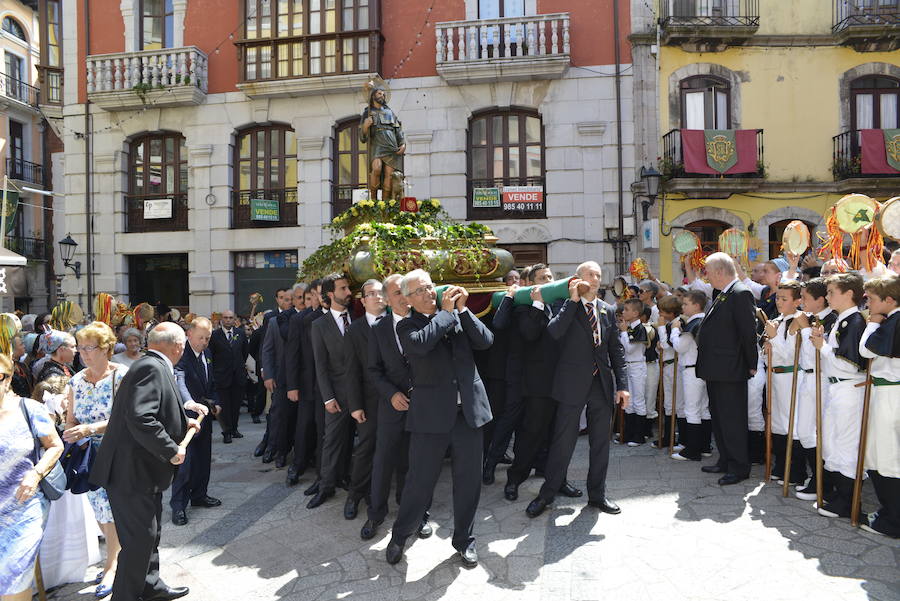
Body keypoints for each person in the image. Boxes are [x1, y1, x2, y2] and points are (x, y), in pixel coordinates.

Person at [385, 270, 493, 568]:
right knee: (419, 482)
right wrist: (446, 314)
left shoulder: (456, 315)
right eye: (419, 290)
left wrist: (463, 310)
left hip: (468, 413)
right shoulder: (408, 325)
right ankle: (400, 535)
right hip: (431, 416)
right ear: (407, 299)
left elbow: (485, 341)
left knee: (469, 482)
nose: (428, 293)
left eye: (430, 287)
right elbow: (421, 345)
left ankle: (464, 540)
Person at [90, 322, 198, 601]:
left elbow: (155, 410)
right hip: (130, 473)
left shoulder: (152, 365)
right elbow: (141, 417)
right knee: (139, 541)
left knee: (150, 534)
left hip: (142, 472)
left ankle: (151, 586)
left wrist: (184, 422)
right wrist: (170, 448)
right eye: (184, 343)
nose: (184, 348)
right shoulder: (150, 367)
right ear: (177, 345)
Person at [525, 261, 629, 519]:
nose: (594, 279)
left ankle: (597, 494)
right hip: (571, 384)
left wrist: (623, 386)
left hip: (600, 384)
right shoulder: (564, 306)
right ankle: (547, 494)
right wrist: (573, 300)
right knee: (563, 441)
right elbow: (554, 333)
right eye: (589, 275)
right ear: (577, 279)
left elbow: (615, 350)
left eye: (598, 275)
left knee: (600, 443)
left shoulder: (606, 310)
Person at [361, 274, 432, 541]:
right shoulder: (379, 329)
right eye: (396, 293)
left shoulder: (424, 321)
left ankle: (419, 514)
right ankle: (376, 514)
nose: (403, 297)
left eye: (405, 291)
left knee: (418, 463)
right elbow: (373, 369)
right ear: (388, 299)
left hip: (423, 407)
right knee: (383, 461)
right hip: (391, 408)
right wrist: (391, 394)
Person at [505, 269, 581, 502]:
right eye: (542, 279)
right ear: (530, 284)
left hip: (563, 380)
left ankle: (558, 480)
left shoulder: (562, 304)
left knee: (561, 436)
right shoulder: (523, 308)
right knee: (532, 433)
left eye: (550, 278)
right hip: (538, 383)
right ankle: (515, 479)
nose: (548, 282)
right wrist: (537, 305)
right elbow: (529, 334)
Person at [64, 321, 128, 598]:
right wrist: (72, 431)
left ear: (106, 349)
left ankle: (112, 564)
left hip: (117, 452)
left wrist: (93, 428)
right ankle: (116, 556)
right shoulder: (75, 381)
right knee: (99, 507)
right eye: (80, 348)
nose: (84, 354)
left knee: (111, 509)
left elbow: (128, 417)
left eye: (89, 348)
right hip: (88, 456)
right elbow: (71, 421)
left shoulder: (121, 376)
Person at [0, 352, 64, 601]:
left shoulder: (30, 409)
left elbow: (55, 446)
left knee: (12, 578)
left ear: (8, 379)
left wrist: (34, 475)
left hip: (25, 506)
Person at [695, 252, 758, 486]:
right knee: (720, 418)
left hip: (731, 369)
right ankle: (725, 459)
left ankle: (739, 466)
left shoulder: (740, 293)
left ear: (720, 272)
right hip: (717, 368)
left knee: (732, 420)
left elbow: (747, 332)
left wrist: (751, 364)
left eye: (709, 272)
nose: (707, 277)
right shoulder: (723, 293)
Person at [809, 273, 867, 519]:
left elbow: (851, 364)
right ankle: (837, 494)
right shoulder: (843, 320)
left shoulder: (853, 321)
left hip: (849, 388)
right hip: (837, 387)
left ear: (849, 294)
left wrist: (822, 349)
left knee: (845, 445)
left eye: (832, 292)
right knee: (832, 442)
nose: (828, 296)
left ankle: (848, 500)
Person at [309, 274, 356, 509]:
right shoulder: (319, 325)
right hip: (337, 396)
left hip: (364, 395)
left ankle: (350, 480)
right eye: (343, 288)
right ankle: (325, 486)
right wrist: (328, 398)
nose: (349, 292)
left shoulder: (359, 317)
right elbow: (321, 365)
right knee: (332, 442)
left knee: (362, 442)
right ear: (330, 294)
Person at [859, 275, 900, 538]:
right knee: (877, 455)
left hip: (891, 395)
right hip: (884, 392)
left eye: (872, 300)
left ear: (889, 300)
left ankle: (894, 519)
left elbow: (865, 350)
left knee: (887, 458)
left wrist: (873, 325)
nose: (868, 305)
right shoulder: (892, 319)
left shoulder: (893, 321)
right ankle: (888, 512)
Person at [172, 317, 222, 526]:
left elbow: (211, 382)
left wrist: (216, 402)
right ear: (189, 335)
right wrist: (190, 404)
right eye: (200, 337)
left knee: (203, 459)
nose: (204, 342)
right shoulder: (181, 356)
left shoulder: (207, 354)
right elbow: (181, 383)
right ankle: (178, 507)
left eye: (207, 338)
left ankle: (200, 495)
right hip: (187, 417)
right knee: (186, 463)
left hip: (205, 415)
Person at [343, 279, 387, 520]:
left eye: (381, 292)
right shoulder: (355, 330)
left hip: (395, 400)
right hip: (368, 402)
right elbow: (350, 371)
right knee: (366, 448)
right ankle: (355, 494)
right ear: (363, 301)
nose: (377, 296)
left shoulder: (395, 323)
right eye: (371, 293)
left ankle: (378, 492)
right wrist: (356, 405)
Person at [763, 281, 809, 487]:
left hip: (791, 377)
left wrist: (774, 339)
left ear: (797, 301)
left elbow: (792, 355)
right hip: (774, 376)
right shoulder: (776, 321)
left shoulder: (798, 322)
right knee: (777, 424)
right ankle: (781, 466)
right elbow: (769, 356)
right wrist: (767, 347)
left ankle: (796, 471)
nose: (779, 302)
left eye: (784, 299)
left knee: (793, 423)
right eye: (778, 298)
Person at [285, 280, 322, 487]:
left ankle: (322, 468)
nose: (316, 299)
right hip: (306, 384)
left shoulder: (330, 317)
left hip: (327, 386)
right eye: (312, 295)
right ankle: (297, 466)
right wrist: (292, 386)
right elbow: (292, 355)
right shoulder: (299, 320)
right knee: (304, 426)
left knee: (323, 428)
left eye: (318, 295)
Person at [669, 291, 711, 462]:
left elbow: (680, 347)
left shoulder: (694, 323)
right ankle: (704, 446)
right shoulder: (707, 320)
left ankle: (692, 450)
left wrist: (674, 331)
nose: (683, 306)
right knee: (703, 409)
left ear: (696, 305)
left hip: (692, 369)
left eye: (686, 304)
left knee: (692, 409)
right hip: (703, 369)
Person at [207, 309, 249, 444]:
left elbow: (245, 352)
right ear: (221, 319)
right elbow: (211, 355)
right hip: (221, 377)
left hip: (238, 376)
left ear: (234, 319)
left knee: (235, 405)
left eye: (230, 318)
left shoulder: (241, 334)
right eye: (225, 318)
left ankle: (234, 429)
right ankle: (226, 432)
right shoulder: (214, 335)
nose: (228, 320)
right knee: (224, 407)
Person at [656, 295, 685, 449]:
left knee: (678, 403)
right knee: (668, 403)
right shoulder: (669, 323)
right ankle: (668, 437)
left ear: (671, 312)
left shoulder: (676, 323)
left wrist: (661, 328)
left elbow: (668, 345)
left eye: (662, 311)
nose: (660, 314)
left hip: (675, 365)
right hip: (667, 365)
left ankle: (682, 439)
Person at [619, 298, 649, 446]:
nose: (623, 312)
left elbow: (630, 349)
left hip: (637, 365)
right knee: (628, 401)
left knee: (638, 400)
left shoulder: (640, 328)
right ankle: (628, 433)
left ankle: (639, 435)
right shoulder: (629, 327)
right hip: (628, 365)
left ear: (636, 313)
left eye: (626, 310)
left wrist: (624, 333)